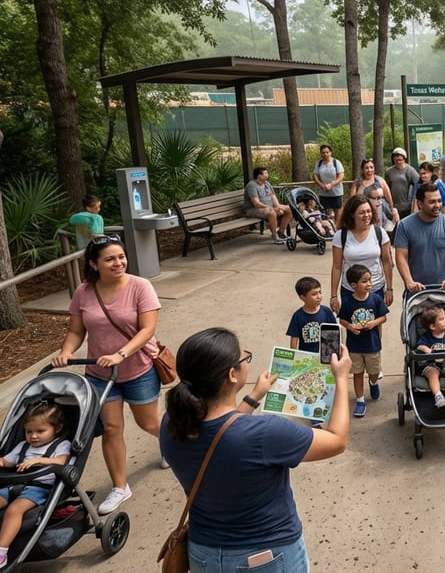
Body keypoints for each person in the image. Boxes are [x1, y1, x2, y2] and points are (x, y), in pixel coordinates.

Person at [160, 327, 350, 571]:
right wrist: (341, 378)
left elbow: (222, 434)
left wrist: (254, 396)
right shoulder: (265, 433)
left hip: (203, 555)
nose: (246, 361)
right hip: (266, 556)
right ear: (231, 374)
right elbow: (337, 440)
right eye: (244, 358)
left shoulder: (172, 424)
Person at [52, 235, 165, 515]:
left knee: (149, 423)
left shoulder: (140, 286)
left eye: (121, 257)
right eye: (110, 259)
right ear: (94, 263)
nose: (118, 263)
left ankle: (171, 445)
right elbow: (76, 331)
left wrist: (121, 354)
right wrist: (66, 351)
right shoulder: (84, 291)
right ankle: (120, 486)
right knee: (112, 429)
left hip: (138, 367)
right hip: (100, 374)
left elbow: (146, 330)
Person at [0, 400, 71, 568]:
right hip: (13, 485)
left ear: (57, 428)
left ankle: (2, 551)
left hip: (38, 489)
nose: (33, 436)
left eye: (40, 431)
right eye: (28, 431)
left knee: (14, 510)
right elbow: (6, 461)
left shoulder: (61, 445)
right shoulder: (22, 446)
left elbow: (62, 461)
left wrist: (40, 460)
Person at [330, 194, 394, 318]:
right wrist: (333, 295)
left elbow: (387, 262)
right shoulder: (341, 235)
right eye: (362, 213)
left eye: (369, 211)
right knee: (352, 325)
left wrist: (389, 289)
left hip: (375, 288)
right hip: (350, 289)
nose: (366, 215)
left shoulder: (379, 232)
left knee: (374, 325)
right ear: (352, 214)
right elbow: (336, 267)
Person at [338, 265, 388, 418]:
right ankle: (360, 400)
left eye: (369, 280)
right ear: (354, 285)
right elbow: (342, 319)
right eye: (364, 281)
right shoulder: (347, 302)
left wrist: (374, 323)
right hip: (354, 347)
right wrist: (350, 327)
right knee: (357, 374)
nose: (369, 284)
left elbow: (384, 317)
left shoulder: (375, 299)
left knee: (373, 372)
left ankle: (373, 383)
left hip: (372, 345)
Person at [394, 183, 445, 293]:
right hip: (416, 291)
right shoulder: (404, 225)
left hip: (443, 289)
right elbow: (401, 256)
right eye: (432, 202)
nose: (437, 205)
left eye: (439, 201)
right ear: (420, 204)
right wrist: (409, 281)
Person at [415, 307, 445, 408]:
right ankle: (438, 396)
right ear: (432, 326)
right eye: (441, 319)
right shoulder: (426, 337)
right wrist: (425, 349)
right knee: (433, 373)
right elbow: (419, 346)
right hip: (430, 364)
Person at [287, 276, 337, 354]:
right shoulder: (298, 316)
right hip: (306, 356)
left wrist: (335, 351)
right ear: (302, 297)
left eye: (320, 292)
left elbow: (335, 331)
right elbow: (294, 337)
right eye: (314, 294)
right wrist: (294, 355)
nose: (319, 296)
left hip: (325, 354)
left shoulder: (326, 311)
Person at [244, 167, 292, 244]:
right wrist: (272, 208)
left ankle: (280, 233)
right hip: (253, 209)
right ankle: (275, 236)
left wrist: (278, 206)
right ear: (259, 176)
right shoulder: (252, 186)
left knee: (290, 209)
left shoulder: (267, 184)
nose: (267, 175)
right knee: (271, 212)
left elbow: (273, 197)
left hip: (268, 207)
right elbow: (256, 203)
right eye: (265, 173)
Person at [351, 159, 396, 233]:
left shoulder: (380, 180)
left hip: (380, 211)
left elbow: (388, 197)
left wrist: (392, 210)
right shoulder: (357, 182)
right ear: (362, 170)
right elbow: (352, 199)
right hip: (364, 212)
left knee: (382, 232)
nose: (369, 170)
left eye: (371, 167)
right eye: (367, 168)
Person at [385, 147, 420, 222]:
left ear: (404, 159)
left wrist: (413, 198)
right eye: (396, 160)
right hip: (394, 205)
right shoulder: (389, 172)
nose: (398, 162)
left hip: (406, 205)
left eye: (400, 160)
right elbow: (386, 188)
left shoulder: (410, 170)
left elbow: (418, 183)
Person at [312, 144, 345, 221]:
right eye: (323, 152)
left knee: (338, 212)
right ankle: (327, 229)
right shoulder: (319, 163)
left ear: (331, 152)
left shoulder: (336, 162)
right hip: (324, 193)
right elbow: (315, 176)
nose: (325, 154)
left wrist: (332, 184)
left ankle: (337, 229)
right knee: (324, 212)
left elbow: (341, 176)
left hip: (336, 193)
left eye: (327, 152)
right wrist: (322, 185)